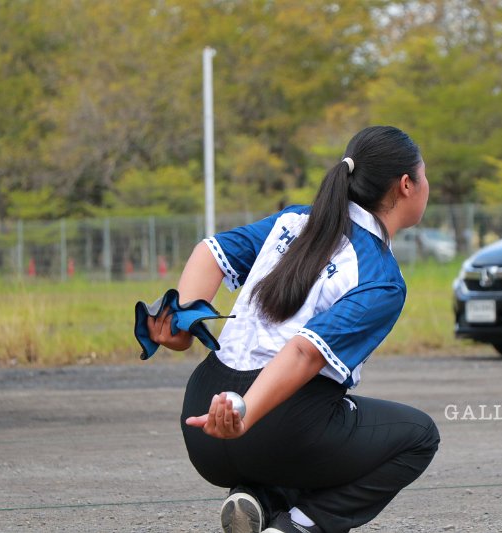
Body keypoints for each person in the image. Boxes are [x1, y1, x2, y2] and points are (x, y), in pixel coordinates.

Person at [146, 125, 440, 533]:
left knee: (320, 426)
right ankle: (298, 526)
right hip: (265, 427)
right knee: (418, 436)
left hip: (202, 422)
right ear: (406, 185)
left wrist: (181, 322)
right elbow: (304, 352)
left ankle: (260, 498)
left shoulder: (294, 220)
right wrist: (244, 414)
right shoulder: (381, 276)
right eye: (425, 176)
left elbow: (209, 251)